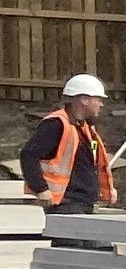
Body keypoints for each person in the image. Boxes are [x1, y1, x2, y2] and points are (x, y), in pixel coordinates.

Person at [21, 73, 116, 216]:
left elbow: (90, 162)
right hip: (66, 204)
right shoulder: (56, 124)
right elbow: (29, 155)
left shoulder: (86, 129)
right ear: (84, 99)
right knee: (69, 239)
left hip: (84, 202)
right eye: (98, 99)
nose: (101, 104)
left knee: (98, 239)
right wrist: (41, 189)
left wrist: (106, 190)